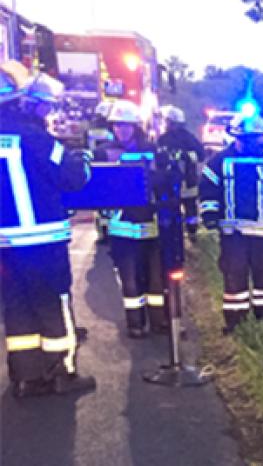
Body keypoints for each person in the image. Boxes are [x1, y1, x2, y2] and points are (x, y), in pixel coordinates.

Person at [0, 61, 97, 397]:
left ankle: (26, 377)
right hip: (42, 241)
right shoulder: (36, 138)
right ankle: (61, 372)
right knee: (53, 301)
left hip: (5, 245)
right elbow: (73, 177)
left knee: (17, 305)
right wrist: (83, 158)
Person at [94, 100, 179, 338]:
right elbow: (98, 188)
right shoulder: (103, 152)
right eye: (117, 125)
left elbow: (167, 182)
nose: (121, 130)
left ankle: (158, 321)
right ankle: (135, 324)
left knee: (155, 280)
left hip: (151, 226)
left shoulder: (153, 151)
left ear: (135, 127)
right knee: (130, 281)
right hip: (121, 227)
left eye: (126, 125)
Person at [199, 114, 263, 334]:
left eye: (253, 139)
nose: (249, 143)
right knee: (235, 277)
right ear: (236, 137)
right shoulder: (218, 163)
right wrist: (210, 216)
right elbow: (208, 191)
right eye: (245, 139)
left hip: (262, 234)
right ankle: (235, 323)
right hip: (233, 235)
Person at [157, 105, 206, 242]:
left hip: (185, 181)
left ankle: (189, 232)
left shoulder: (186, 139)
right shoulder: (165, 139)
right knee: (185, 208)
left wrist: (184, 156)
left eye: (168, 121)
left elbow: (201, 155)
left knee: (189, 209)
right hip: (176, 182)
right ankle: (187, 233)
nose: (166, 124)